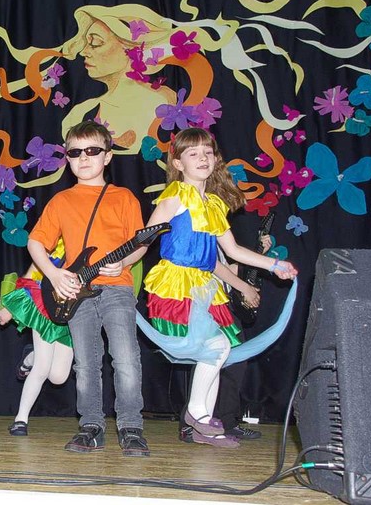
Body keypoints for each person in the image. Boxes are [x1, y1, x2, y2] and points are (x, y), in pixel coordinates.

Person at [140, 127, 297, 448]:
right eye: (193, 153)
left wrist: (274, 265)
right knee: (217, 347)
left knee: (218, 351)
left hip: (204, 285)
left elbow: (233, 251)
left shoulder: (213, 204)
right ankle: (197, 414)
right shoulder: (174, 197)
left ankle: (205, 425)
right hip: (176, 283)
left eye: (208, 153)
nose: (203, 159)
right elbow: (144, 239)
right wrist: (120, 265)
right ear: (178, 163)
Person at [27, 119, 149, 456]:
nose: (83, 157)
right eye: (75, 152)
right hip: (75, 295)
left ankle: (131, 427)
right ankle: (91, 425)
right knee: (85, 363)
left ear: (107, 156)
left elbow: (140, 244)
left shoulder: (124, 198)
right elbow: (35, 242)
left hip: (117, 288)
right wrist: (54, 275)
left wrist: (123, 263)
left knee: (125, 358)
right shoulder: (61, 200)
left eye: (93, 151)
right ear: (67, 158)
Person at [179, 234, 273, 442]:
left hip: (219, 302)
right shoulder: (201, 230)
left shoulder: (215, 236)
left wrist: (258, 255)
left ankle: (222, 422)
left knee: (233, 361)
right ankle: (193, 424)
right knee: (212, 358)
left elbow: (227, 269)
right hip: (206, 301)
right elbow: (212, 267)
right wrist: (245, 287)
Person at [0, 240, 74, 437]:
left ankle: (30, 356)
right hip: (45, 307)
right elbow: (31, 274)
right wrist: (10, 308)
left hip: (71, 315)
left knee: (58, 377)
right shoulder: (57, 245)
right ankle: (20, 420)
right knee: (42, 367)